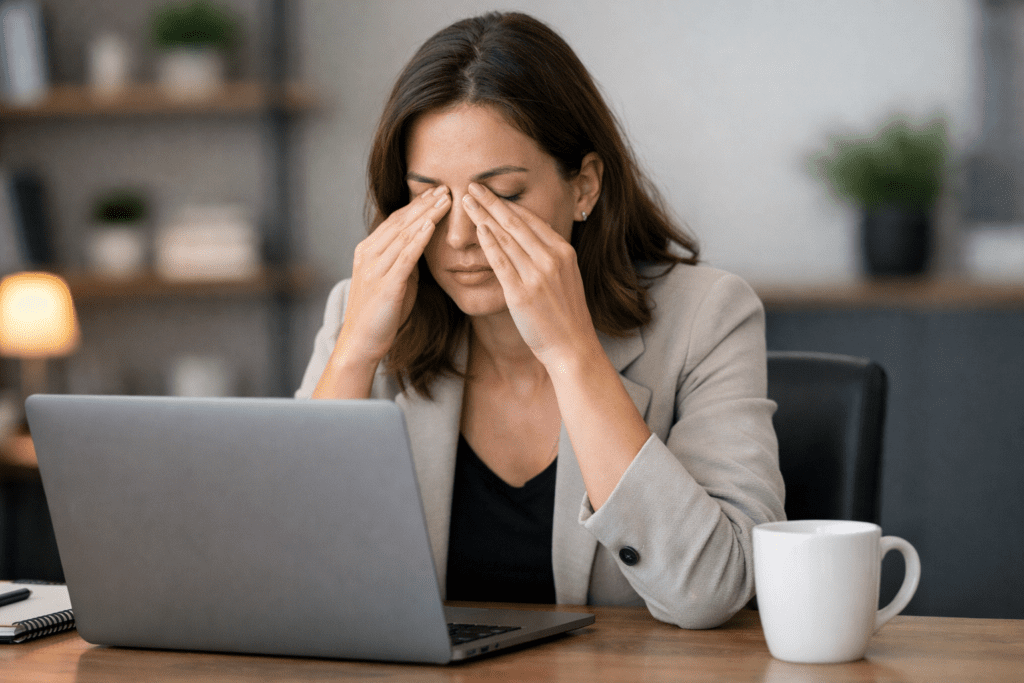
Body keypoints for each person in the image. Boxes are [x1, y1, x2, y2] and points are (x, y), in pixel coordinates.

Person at [295, 11, 784, 629]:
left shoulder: (709, 317)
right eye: (430, 198)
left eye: (499, 196)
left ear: (584, 187)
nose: (460, 237)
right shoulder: (361, 312)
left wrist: (571, 352)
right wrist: (355, 354)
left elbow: (712, 590)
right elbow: (290, 576)